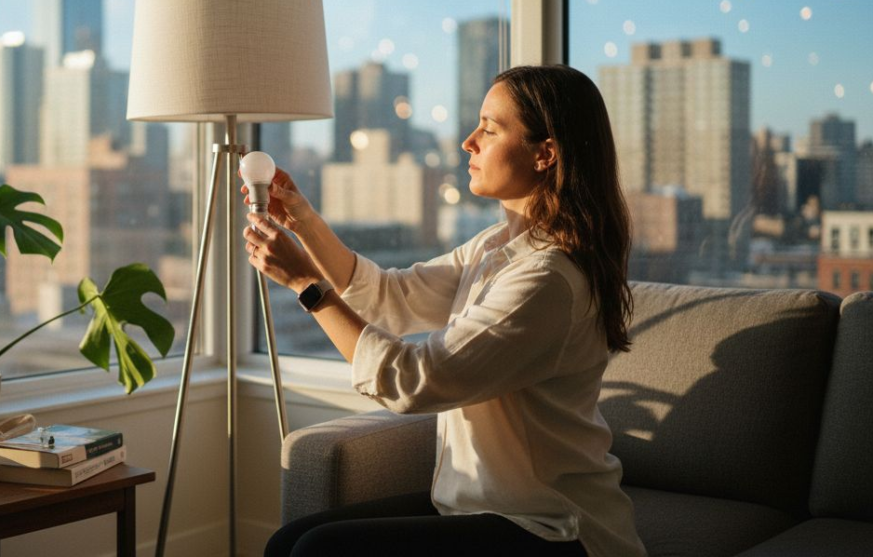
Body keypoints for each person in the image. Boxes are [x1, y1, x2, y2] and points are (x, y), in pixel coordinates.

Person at [244, 65, 647, 557]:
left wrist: (308, 284)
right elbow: (390, 297)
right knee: (287, 541)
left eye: (490, 129)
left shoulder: (547, 280)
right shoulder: (496, 248)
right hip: (474, 508)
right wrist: (303, 221)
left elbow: (417, 380)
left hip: (550, 526)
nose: (467, 142)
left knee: (316, 550)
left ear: (545, 154)